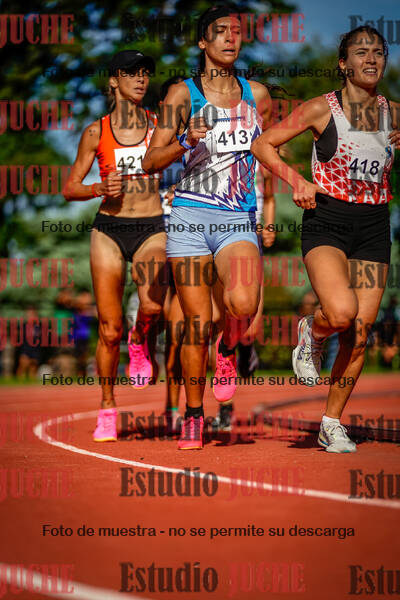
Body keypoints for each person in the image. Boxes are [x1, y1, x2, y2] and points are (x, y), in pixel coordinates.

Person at [252, 26, 399, 453]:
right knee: (340, 313)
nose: (371, 59)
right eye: (361, 52)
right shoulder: (321, 108)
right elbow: (263, 145)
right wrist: (297, 181)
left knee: (360, 332)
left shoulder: (394, 113)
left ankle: (331, 423)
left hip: (374, 224)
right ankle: (312, 334)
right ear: (343, 63)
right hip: (328, 220)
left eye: (378, 52)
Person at [143, 5, 271, 449]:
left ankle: (229, 350)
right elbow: (151, 160)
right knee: (196, 325)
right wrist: (184, 141)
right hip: (190, 218)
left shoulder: (257, 95)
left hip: (238, 217)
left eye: (236, 31)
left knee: (242, 303)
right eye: (220, 32)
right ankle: (194, 416)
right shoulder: (182, 94)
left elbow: (270, 150)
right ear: (203, 42)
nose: (231, 38)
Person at [63, 50, 168, 442]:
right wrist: (96, 188)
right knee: (109, 329)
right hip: (108, 228)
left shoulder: (158, 126)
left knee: (152, 306)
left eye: (145, 73)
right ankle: (107, 407)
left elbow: (182, 162)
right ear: (113, 80)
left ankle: (140, 339)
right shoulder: (96, 132)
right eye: (131, 73)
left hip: (152, 225)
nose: (140, 79)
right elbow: (70, 187)